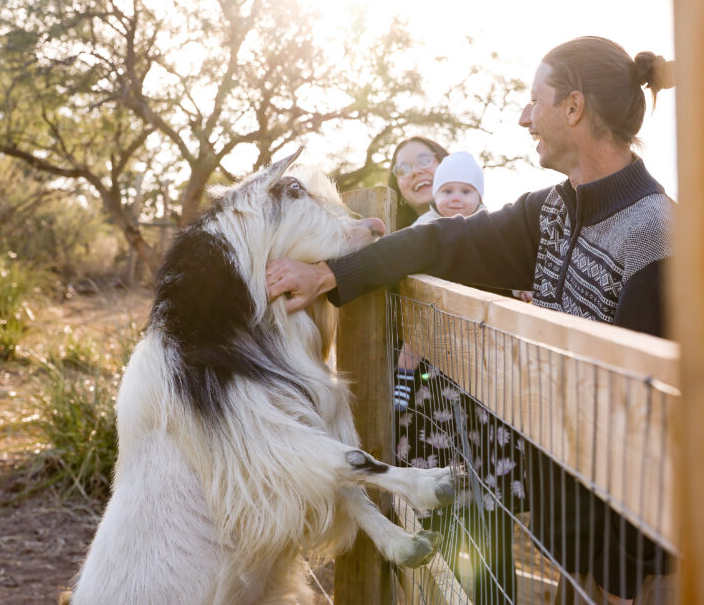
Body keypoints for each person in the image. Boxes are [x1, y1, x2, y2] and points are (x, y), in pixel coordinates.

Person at [266, 36, 676, 604]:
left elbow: (652, 421)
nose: (524, 116)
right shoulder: (555, 210)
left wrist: (626, 577)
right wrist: (333, 273)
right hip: (576, 543)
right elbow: (443, 240)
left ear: (574, 108)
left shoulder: (655, 233)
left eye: (537, 101)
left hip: (634, 560)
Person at [396, 149, 524, 603]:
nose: (453, 197)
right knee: (439, 512)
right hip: (431, 398)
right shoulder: (410, 236)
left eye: (463, 191)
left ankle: (490, 593)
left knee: (487, 520)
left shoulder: (492, 234)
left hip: (484, 393)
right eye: (447, 191)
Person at [388, 136, 450, 230]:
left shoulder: (479, 223)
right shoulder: (393, 242)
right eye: (403, 169)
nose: (415, 171)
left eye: (425, 160)